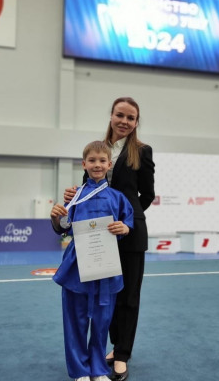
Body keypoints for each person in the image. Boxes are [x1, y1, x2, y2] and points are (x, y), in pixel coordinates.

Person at [64, 97, 155, 381]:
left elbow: (147, 194)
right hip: (97, 237)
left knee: (128, 297)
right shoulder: (99, 148)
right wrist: (73, 196)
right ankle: (106, 351)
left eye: (131, 117)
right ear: (112, 116)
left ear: (136, 122)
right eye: (120, 115)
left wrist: (127, 219)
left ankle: (122, 354)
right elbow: (90, 187)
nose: (124, 121)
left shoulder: (142, 151)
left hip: (129, 234)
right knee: (106, 297)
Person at [51, 140, 134, 381]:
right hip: (76, 268)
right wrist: (56, 218)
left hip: (106, 267)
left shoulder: (118, 198)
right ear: (84, 164)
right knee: (75, 321)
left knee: (101, 321)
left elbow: (128, 223)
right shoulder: (74, 196)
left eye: (102, 160)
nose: (97, 164)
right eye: (92, 160)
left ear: (109, 165)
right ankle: (80, 371)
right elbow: (64, 227)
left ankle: (98, 369)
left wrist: (125, 228)